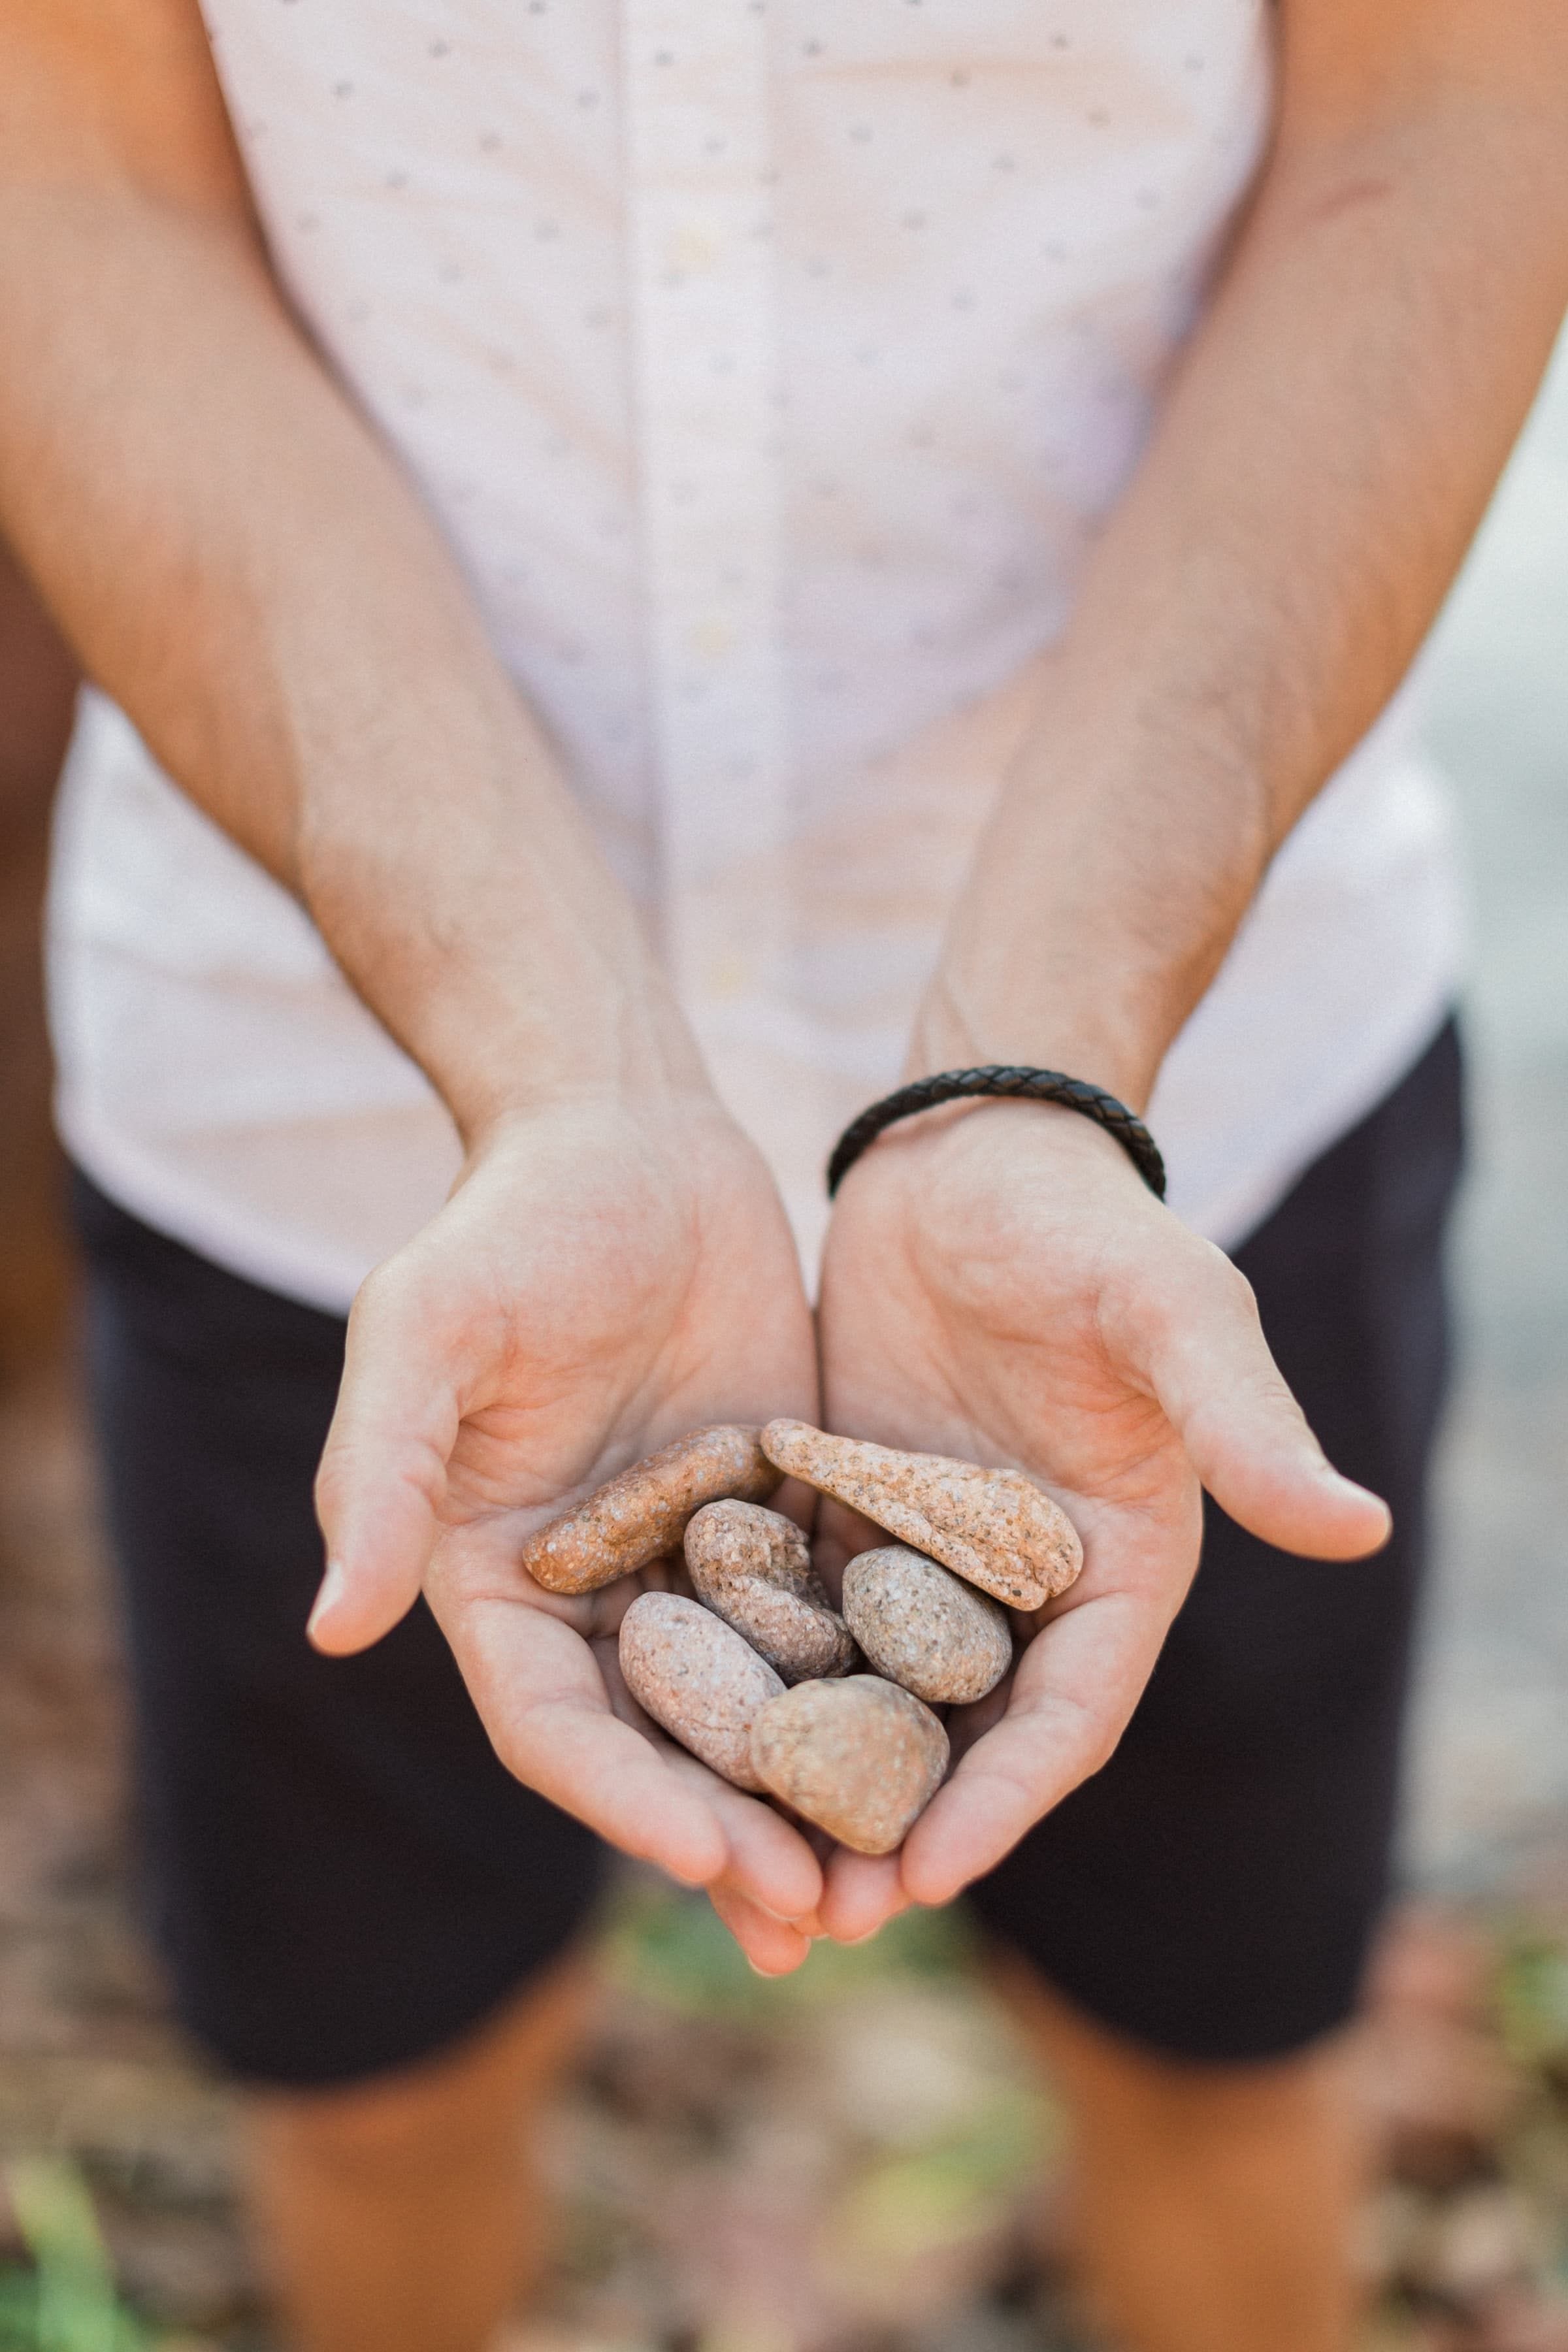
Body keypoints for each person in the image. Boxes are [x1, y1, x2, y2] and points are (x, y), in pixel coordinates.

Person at [1, 4, 1565, 2347]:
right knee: (370, 2080)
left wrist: (1042, 1052)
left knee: (1229, 2052)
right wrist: (553, 1068)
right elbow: (73, 191)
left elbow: (1449, 114)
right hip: (322, 1135)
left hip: (1198, 1137)